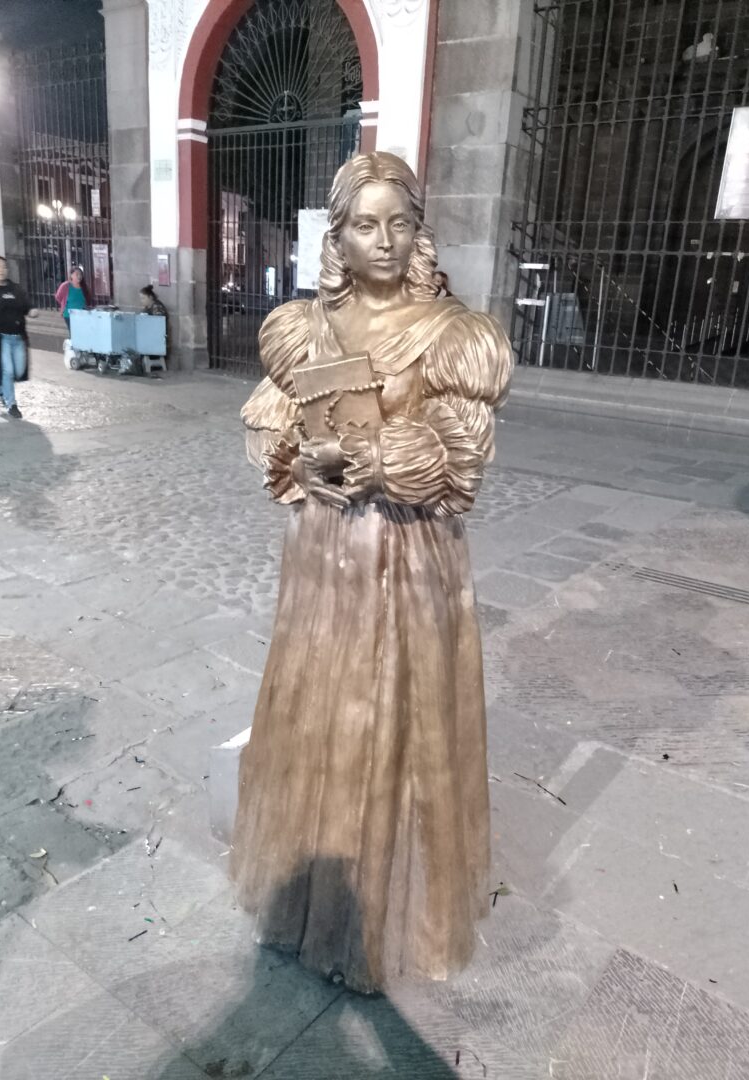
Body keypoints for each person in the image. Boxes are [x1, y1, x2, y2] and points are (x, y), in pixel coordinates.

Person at [231, 152, 513, 993]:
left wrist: (381, 456)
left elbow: (463, 461)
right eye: (365, 224)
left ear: (418, 231)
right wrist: (296, 463)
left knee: (394, 717)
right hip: (322, 556)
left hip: (405, 556)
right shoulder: (303, 329)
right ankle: (310, 891)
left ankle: (392, 915)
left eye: (400, 223)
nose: (385, 241)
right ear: (337, 237)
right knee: (319, 710)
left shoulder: (455, 335)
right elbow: (268, 426)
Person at [0, 255, 37, 418]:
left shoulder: (15, 288)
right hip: (0, 338)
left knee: (19, 371)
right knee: (8, 370)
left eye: (3, 267)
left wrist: (31, 311)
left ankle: (0, 389)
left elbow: (26, 304)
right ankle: (12, 404)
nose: (1, 270)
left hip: (18, 336)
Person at [55, 267, 93, 335]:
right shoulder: (65, 286)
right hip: (69, 315)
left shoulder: (84, 287)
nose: (79, 276)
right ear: (71, 275)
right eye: (77, 274)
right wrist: (63, 305)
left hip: (82, 315)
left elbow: (88, 299)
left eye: (80, 274)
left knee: (82, 334)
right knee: (74, 334)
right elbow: (58, 297)